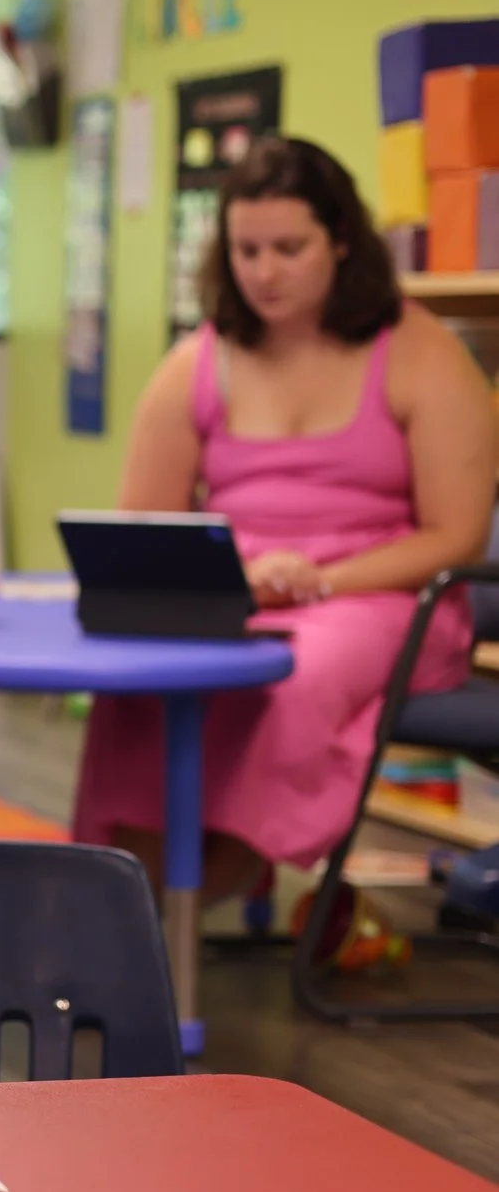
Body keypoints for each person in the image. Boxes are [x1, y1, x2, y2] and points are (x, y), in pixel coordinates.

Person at [74, 137, 496, 908]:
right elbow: (144, 526)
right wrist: (239, 581)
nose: (265, 271)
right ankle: (118, 898)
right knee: (139, 680)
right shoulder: (199, 361)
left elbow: (455, 537)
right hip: (238, 591)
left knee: (289, 682)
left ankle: (180, 910)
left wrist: (318, 581)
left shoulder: (423, 353)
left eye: (289, 248)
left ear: (341, 239)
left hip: (380, 596)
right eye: (247, 250)